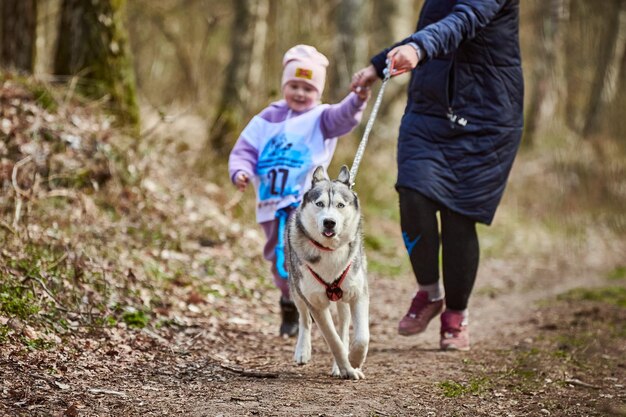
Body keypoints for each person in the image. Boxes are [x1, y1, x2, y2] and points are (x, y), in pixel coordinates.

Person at [351, 0, 523, 351]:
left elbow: (465, 19)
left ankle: (456, 316)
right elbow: (436, 26)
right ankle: (429, 293)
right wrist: (380, 64)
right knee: (413, 193)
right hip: (429, 110)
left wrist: (418, 47)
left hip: (486, 117)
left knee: (459, 217)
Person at [229, 44, 370, 337]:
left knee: (305, 255)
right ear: (284, 85)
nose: (300, 93)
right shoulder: (265, 119)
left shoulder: (321, 117)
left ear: (317, 91)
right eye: (294, 85)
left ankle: (312, 298)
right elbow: (245, 149)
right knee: (277, 257)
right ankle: (289, 299)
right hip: (270, 202)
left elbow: (343, 117)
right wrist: (240, 170)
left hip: (307, 206)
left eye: (308, 88)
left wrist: (356, 100)